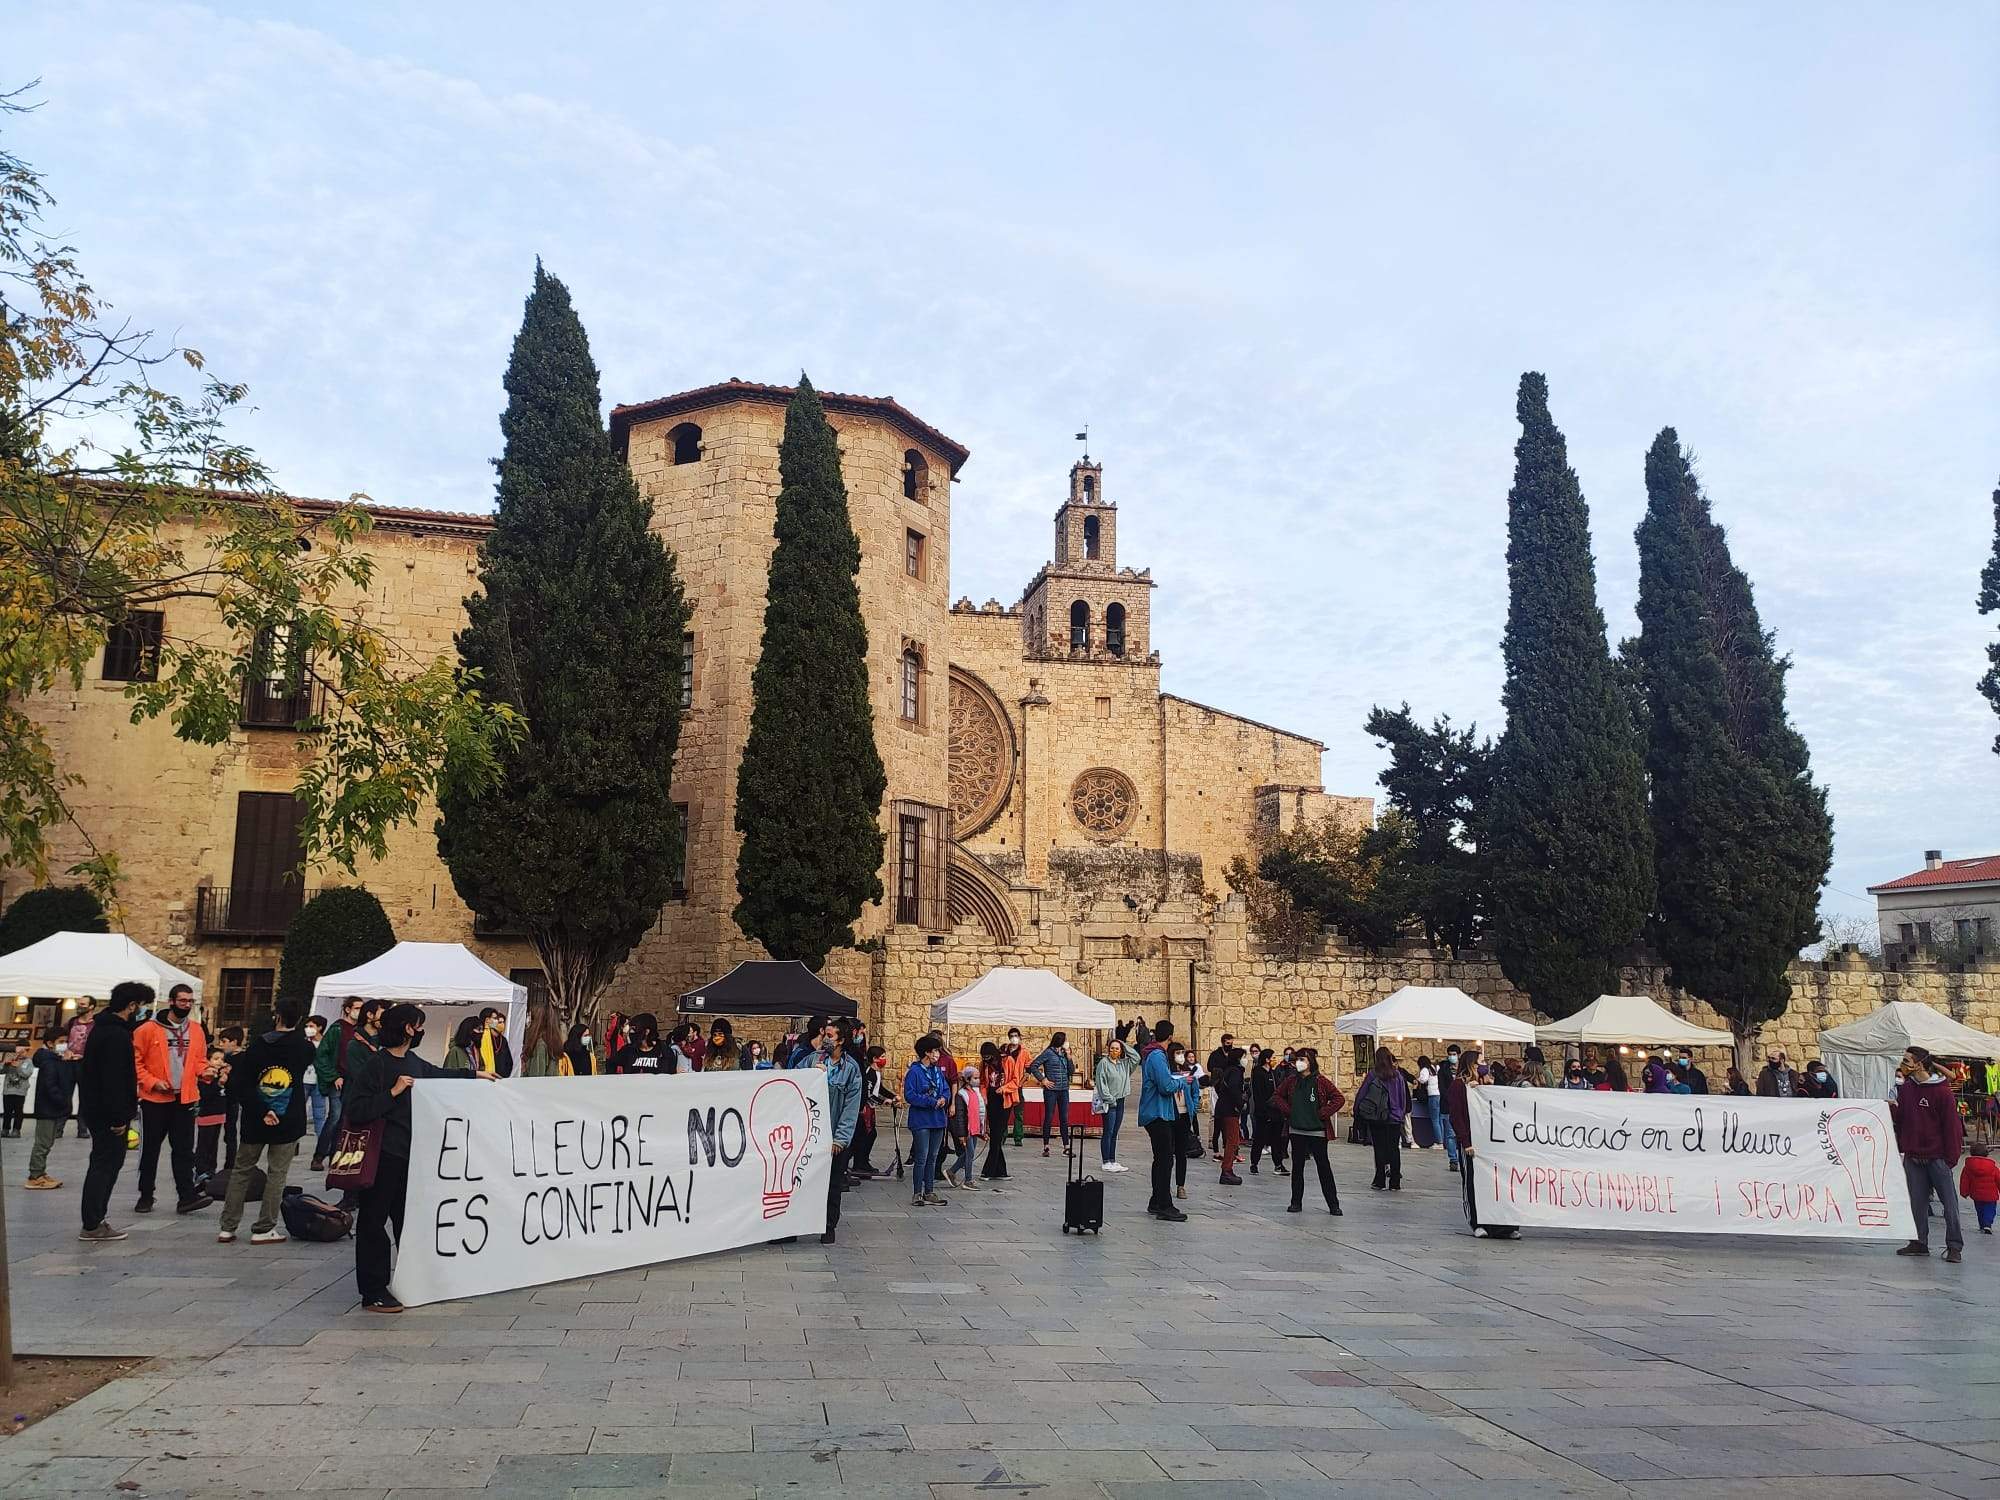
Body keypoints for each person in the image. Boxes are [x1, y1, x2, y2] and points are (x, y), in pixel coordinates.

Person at [346, 1003, 492, 1311]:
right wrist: (393, 1093)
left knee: (407, 1221)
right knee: (373, 1222)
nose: (420, 1030)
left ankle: (413, 1279)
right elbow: (356, 1109)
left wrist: (475, 1075)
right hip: (381, 1156)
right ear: (407, 1028)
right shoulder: (378, 1065)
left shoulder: (412, 1061)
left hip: (408, 1157)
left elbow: (439, 1076)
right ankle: (373, 1290)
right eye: (418, 1024)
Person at [217, 997, 318, 1245]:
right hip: (288, 1116)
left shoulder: (258, 1046)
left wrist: (262, 1109)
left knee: (242, 1170)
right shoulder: (304, 1048)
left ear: (277, 1016)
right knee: (277, 1174)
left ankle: (228, 1227)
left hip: (256, 1115)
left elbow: (243, 1083)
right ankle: (264, 1228)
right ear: (300, 1020)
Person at [133, 981, 212, 1215]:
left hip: (184, 1098)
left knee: (185, 1150)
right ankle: (146, 1195)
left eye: (190, 1001)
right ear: (171, 1002)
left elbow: (199, 1059)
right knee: (150, 1149)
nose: (186, 1005)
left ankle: (186, 1196)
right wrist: (152, 1082)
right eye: (182, 1001)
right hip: (155, 1099)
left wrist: (206, 1071)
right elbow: (135, 1062)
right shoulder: (147, 1029)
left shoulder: (197, 1029)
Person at [77, 981, 146, 1242]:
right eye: (139, 1006)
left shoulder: (101, 1029)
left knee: (104, 1163)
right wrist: (119, 1117)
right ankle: (93, 1222)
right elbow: (114, 1080)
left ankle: (95, 1219)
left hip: (97, 1110)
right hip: (108, 1114)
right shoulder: (115, 1035)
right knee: (105, 1165)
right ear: (131, 1005)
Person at [1891, 1045, 1965, 1263]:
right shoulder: (1907, 1089)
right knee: (1917, 1202)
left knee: (1949, 1204)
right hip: (1913, 1156)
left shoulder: (1942, 1092)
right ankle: (1918, 1242)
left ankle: (1954, 1246)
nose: (1903, 1065)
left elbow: (1951, 1128)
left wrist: (1949, 1159)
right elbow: (1902, 1118)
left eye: (1906, 1061)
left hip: (1937, 1157)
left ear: (1919, 1064)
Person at [1271, 1047, 1343, 1215]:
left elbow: (1338, 1098)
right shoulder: (1291, 1081)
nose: (1299, 1063)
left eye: (1303, 1059)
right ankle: (1296, 1202)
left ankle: (1333, 1204)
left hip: (1317, 1131)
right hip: (1297, 1130)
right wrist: (1289, 1111)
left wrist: (1323, 1113)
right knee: (1297, 1167)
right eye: (1297, 1059)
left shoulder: (1320, 1081)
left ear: (1310, 1062)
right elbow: (1277, 1095)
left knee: (1323, 1167)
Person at [810, 1018, 862, 1244]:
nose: (825, 1039)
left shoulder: (851, 1069)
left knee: (832, 1184)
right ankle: (791, 1227)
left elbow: (851, 1106)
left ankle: (828, 1225)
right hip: (809, 1135)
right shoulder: (810, 1060)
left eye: (830, 1036)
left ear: (841, 1040)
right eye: (825, 1034)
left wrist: (840, 1139)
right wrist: (811, 1075)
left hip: (833, 1135)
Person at [1137, 1020, 1188, 1222]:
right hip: (1157, 1113)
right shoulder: (1157, 1056)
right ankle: (1164, 1204)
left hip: (1158, 1113)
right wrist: (1183, 1080)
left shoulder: (1152, 1054)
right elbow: (1165, 1086)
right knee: (1166, 1159)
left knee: (1161, 1158)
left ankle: (1156, 1200)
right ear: (1170, 1036)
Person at [311, 996, 366, 1172]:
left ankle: (336, 1156)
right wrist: (333, 1076)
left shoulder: (360, 1030)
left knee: (344, 1119)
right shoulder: (337, 1028)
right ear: (348, 1009)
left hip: (353, 1080)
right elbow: (322, 1055)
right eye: (357, 1007)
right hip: (339, 1079)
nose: (359, 1011)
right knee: (335, 1117)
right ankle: (319, 1156)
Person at [193, 1025, 245, 1188]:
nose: (221, 1045)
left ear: (234, 1042)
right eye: (217, 1059)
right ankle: (203, 1170)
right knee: (206, 1142)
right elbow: (206, 1091)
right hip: (211, 1110)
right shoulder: (211, 1073)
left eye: (224, 1041)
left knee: (227, 1136)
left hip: (228, 1104)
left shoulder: (242, 1059)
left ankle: (228, 1166)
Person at [1355, 1046, 1409, 1191]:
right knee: (1394, 1149)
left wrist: (1358, 1111)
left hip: (1378, 1117)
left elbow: (1362, 1094)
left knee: (1379, 1149)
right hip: (1395, 1118)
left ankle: (1379, 1180)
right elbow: (1403, 1097)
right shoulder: (1398, 1076)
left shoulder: (1373, 1075)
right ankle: (1395, 1181)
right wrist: (1400, 1114)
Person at [904, 1034, 949, 1207]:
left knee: (933, 1157)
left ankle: (929, 1191)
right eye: (936, 1050)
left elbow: (945, 1088)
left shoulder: (937, 1071)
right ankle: (917, 1193)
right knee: (921, 1157)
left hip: (938, 1119)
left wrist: (945, 1098)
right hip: (921, 1119)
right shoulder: (915, 1071)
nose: (938, 1054)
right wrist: (931, 1101)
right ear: (927, 1053)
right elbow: (910, 1095)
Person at [25, 1027, 72, 1188]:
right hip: (47, 1108)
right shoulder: (49, 1062)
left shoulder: (54, 1060)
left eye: (66, 1042)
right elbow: (50, 1086)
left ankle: (40, 1172)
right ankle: (35, 1175)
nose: (64, 1045)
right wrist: (63, 1101)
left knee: (48, 1142)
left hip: (51, 1108)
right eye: (61, 1042)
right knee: (43, 1143)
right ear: (50, 1043)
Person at [1028, 1032, 1076, 1157]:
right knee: (1049, 1116)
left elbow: (1071, 1071)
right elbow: (1033, 1065)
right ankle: (1046, 1146)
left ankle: (1066, 1146)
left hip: (1064, 1089)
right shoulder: (1048, 1053)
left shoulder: (1065, 1054)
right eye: (1065, 1040)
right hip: (1051, 1090)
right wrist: (1043, 1080)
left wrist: (1069, 1057)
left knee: (1064, 1118)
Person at [1092, 1038, 1136, 1173]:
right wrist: (1110, 1099)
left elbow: (1136, 1057)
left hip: (1121, 1100)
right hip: (1110, 1102)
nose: (1114, 1051)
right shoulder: (1103, 1064)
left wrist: (1123, 1044)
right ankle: (1106, 1160)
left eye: (1117, 1048)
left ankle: (1112, 1159)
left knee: (1115, 1132)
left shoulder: (1124, 1064)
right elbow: (1101, 1083)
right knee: (1108, 1131)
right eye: (1112, 1048)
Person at [1212, 1045, 1246, 1186]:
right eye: (1244, 1057)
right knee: (1232, 1140)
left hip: (1223, 1107)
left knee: (1231, 1140)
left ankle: (1228, 1169)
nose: (1246, 1060)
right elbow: (1233, 1089)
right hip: (1230, 1109)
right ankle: (1227, 1170)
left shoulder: (1228, 1071)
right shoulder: (1236, 1072)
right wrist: (1239, 1104)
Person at [945, 1064, 982, 1189]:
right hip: (967, 1130)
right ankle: (968, 1180)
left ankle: (951, 1172)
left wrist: (983, 1130)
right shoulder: (961, 1095)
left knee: (967, 1154)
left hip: (975, 1128)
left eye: (978, 1078)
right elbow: (960, 1117)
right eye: (975, 1078)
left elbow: (980, 1111)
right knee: (969, 1154)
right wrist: (961, 1134)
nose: (977, 1080)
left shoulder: (976, 1092)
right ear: (967, 1079)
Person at [1250, 1048, 1287, 1175]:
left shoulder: (1273, 1073)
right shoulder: (1258, 1073)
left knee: (1277, 1140)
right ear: (1267, 1059)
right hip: (1263, 1112)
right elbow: (1259, 1095)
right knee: (1260, 1139)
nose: (1274, 1060)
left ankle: (1278, 1164)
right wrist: (1263, 1111)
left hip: (1276, 1111)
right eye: (1273, 1057)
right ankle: (1254, 1163)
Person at [979, 1041, 1010, 1182]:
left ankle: (988, 1170)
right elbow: (982, 1082)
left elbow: (1015, 1080)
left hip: (1004, 1099)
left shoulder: (1007, 1060)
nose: (987, 1060)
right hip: (991, 1099)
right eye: (984, 1057)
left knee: (997, 1135)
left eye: (988, 1057)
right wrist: (984, 1095)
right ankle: (1001, 1171)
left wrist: (1003, 1088)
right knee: (995, 1135)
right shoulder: (984, 1065)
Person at [518, 1001, 566, 1078]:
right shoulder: (551, 1041)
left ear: (536, 1019)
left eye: (529, 1016)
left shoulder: (540, 1045)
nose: (528, 1019)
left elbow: (536, 1076)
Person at [1963, 1142, 2000, 1235]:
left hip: (1976, 1194)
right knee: (1990, 1209)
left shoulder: (1968, 1167)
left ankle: (1982, 1225)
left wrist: (1964, 1192)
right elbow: (1998, 1179)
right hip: (1991, 1195)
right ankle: (1987, 1224)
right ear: (1986, 1153)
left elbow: (1964, 1180)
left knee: (1979, 1210)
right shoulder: (1992, 1167)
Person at [302, 1016, 328, 1142]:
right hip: (303, 1081)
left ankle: (321, 1145)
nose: (308, 1029)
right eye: (307, 1026)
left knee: (319, 1114)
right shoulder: (303, 1042)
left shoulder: (326, 1043)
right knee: (299, 1113)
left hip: (319, 1081)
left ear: (320, 1027)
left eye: (311, 1026)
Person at [1001, 1031, 1027, 1147]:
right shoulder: (1003, 1050)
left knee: (1018, 1113)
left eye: (1016, 1036)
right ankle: (1002, 1136)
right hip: (1006, 1085)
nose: (1014, 1038)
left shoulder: (1024, 1052)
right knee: (1004, 1112)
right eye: (1011, 1036)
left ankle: (1018, 1137)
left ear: (1020, 1037)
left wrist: (1023, 1080)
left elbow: (1029, 1067)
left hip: (1018, 1086)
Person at [478, 1007, 515, 1078]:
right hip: (483, 1076)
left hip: (500, 1077)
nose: (497, 1021)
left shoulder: (503, 1040)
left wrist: (504, 1075)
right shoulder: (481, 1036)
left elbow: (509, 1061)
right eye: (495, 1018)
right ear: (487, 1020)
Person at [2, 1047, 30, 1137]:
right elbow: (1, 1071)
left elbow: (26, 1075)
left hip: (20, 1091)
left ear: (27, 1052)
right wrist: (5, 1064)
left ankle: (16, 1130)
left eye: (23, 1052)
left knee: (18, 1111)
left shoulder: (28, 1062)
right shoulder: (10, 1059)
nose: (20, 1054)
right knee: (7, 1111)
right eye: (18, 1052)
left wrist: (18, 1067)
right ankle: (5, 1129)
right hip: (8, 1090)